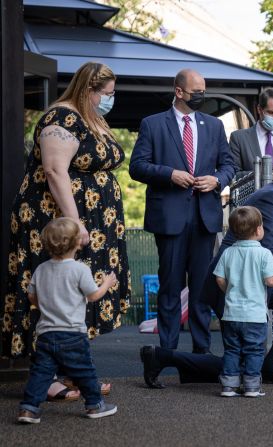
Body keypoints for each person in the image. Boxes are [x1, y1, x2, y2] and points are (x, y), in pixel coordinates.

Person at [140, 153, 273, 388]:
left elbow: (271, 253)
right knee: (245, 367)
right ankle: (162, 357)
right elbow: (271, 250)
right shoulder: (271, 198)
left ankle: (271, 364)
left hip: (252, 285)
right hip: (230, 287)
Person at [1, 61, 129, 399]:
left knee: (78, 294)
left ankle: (74, 370)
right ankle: (45, 377)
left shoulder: (90, 117)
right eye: (107, 94)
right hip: (55, 221)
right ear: (88, 89)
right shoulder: (61, 118)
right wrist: (75, 222)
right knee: (52, 294)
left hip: (92, 226)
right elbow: (56, 170)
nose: (109, 100)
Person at [129, 68, 236, 353]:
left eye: (203, 90)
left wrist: (217, 180)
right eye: (196, 91)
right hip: (169, 218)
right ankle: (168, 355)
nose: (201, 96)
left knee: (203, 290)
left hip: (205, 217)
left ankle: (201, 355)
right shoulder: (152, 124)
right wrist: (170, 174)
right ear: (179, 91)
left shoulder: (213, 126)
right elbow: (137, 167)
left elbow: (228, 166)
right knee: (170, 289)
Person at [17, 218, 118, 424]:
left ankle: (28, 409)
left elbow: (31, 297)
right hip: (73, 334)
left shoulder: (41, 269)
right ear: (76, 243)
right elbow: (92, 296)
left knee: (41, 373)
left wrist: (46, 302)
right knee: (85, 370)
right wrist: (107, 283)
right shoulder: (79, 269)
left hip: (45, 334)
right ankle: (95, 405)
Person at [213, 206, 273, 397]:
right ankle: (252, 387)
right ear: (259, 229)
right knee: (254, 351)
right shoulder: (264, 254)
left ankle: (229, 386)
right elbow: (271, 280)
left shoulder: (227, 253)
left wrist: (230, 291)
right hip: (255, 316)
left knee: (232, 350)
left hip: (231, 314)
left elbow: (218, 278)